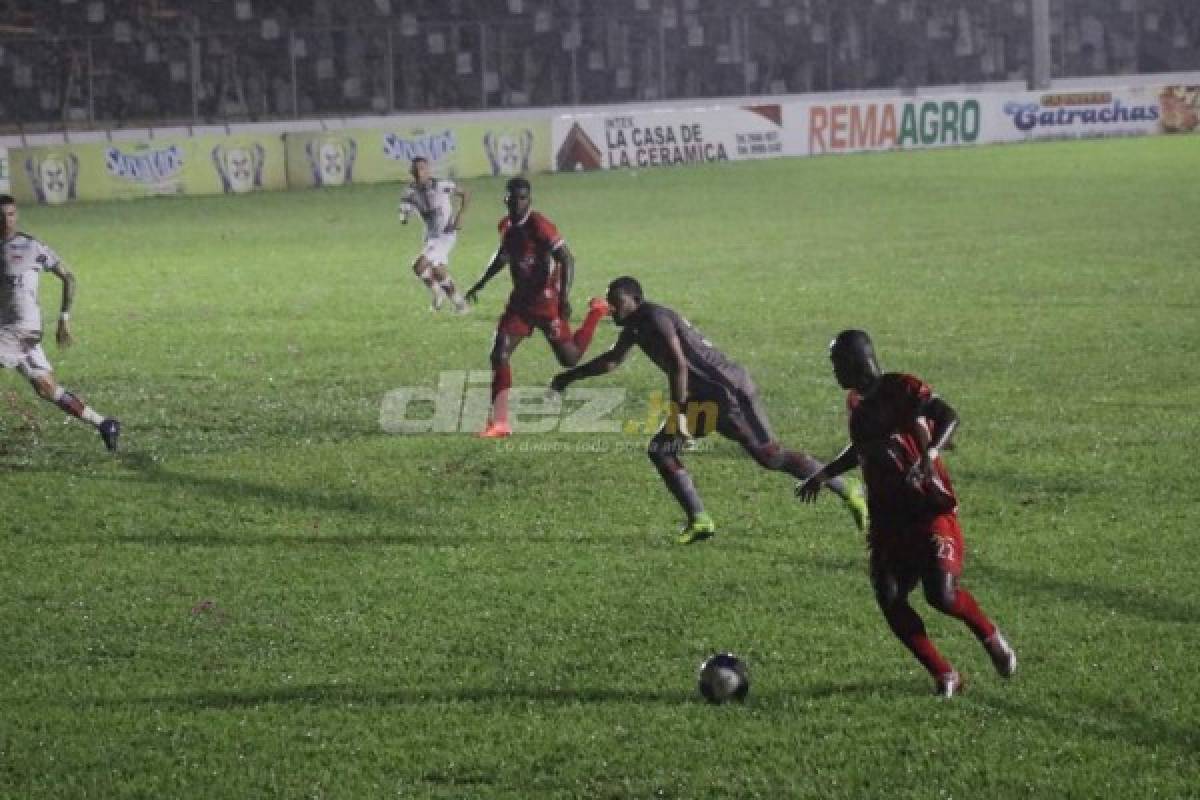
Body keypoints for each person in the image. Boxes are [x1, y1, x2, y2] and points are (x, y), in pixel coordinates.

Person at [551, 276, 868, 544]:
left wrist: (679, 412)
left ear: (635, 298)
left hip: (729, 392)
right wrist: (570, 376)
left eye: (615, 300)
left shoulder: (654, 318)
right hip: (705, 396)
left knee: (770, 456)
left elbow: (677, 365)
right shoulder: (635, 327)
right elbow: (611, 360)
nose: (611, 307)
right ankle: (700, 520)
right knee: (661, 449)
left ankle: (845, 486)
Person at [796, 330, 1015, 697]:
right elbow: (861, 449)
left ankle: (991, 637)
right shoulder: (856, 404)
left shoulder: (902, 387)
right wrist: (824, 474)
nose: (833, 371)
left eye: (836, 362)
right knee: (889, 595)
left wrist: (929, 457)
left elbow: (948, 416)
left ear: (856, 362)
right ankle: (946, 675)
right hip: (887, 518)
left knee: (940, 595)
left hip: (928, 507)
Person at [465, 177, 609, 438]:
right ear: (505, 199)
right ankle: (500, 422)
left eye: (523, 198)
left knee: (570, 359)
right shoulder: (506, 226)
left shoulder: (540, 225)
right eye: (513, 197)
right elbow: (503, 256)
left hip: (546, 303)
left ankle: (596, 313)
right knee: (499, 355)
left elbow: (567, 258)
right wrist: (481, 283)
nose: (518, 203)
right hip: (520, 303)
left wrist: (564, 297)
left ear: (529, 200)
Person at [1, 194, 120, 451]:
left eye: (10, 214)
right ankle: (104, 423)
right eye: (1, 216)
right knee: (47, 389)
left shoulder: (30, 247)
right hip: (6, 329)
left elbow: (68, 278)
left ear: (16, 215)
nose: (6, 220)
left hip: (23, 328)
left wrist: (64, 318)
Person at [398, 156, 469, 313]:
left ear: (428, 170)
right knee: (438, 271)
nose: (419, 172)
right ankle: (460, 305)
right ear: (411, 171)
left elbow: (465, 193)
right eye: (416, 169)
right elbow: (403, 212)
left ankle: (438, 294)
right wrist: (404, 216)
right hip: (431, 237)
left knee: (419, 265)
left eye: (423, 168)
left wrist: (460, 216)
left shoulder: (441, 186)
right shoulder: (410, 193)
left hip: (446, 234)